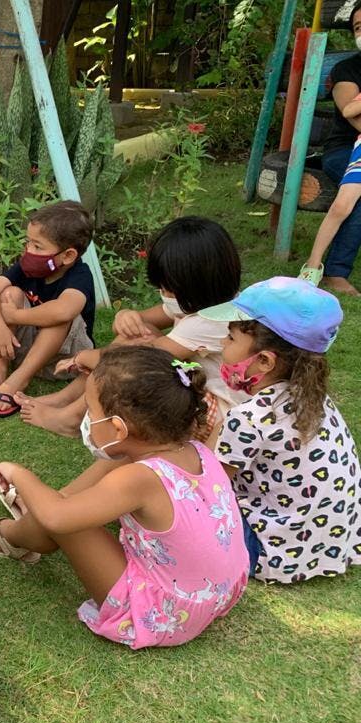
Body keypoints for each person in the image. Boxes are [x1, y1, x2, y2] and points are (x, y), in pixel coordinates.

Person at [0, 346, 249, 649]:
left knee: (65, 519)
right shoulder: (196, 450)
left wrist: (18, 473)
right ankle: (40, 512)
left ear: (117, 427)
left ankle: (5, 535)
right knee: (77, 494)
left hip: (164, 614)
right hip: (217, 593)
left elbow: (59, 517)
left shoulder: (139, 478)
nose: (87, 418)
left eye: (90, 410)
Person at [19, 216, 245, 443]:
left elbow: (136, 362)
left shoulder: (209, 322)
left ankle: (71, 418)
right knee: (136, 334)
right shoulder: (207, 301)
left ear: (193, 285)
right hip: (199, 387)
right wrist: (125, 316)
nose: (163, 294)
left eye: (167, 288)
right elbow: (143, 321)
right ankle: (64, 400)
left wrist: (84, 357)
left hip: (213, 419)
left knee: (124, 365)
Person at [201, 277, 360, 583]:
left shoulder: (247, 418)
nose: (222, 344)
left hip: (272, 551)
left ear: (264, 361)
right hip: (331, 542)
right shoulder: (314, 398)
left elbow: (206, 488)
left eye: (230, 338)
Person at [0, 200, 95, 418]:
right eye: (28, 242)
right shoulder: (27, 268)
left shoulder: (80, 275)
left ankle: (18, 381)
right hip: (22, 351)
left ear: (68, 256)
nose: (29, 251)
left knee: (58, 315)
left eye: (38, 246)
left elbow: (64, 311)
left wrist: (15, 316)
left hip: (64, 362)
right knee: (9, 293)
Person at [315, 0, 361, 296]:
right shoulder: (347, 70)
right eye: (358, 27)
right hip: (344, 151)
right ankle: (335, 272)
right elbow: (352, 114)